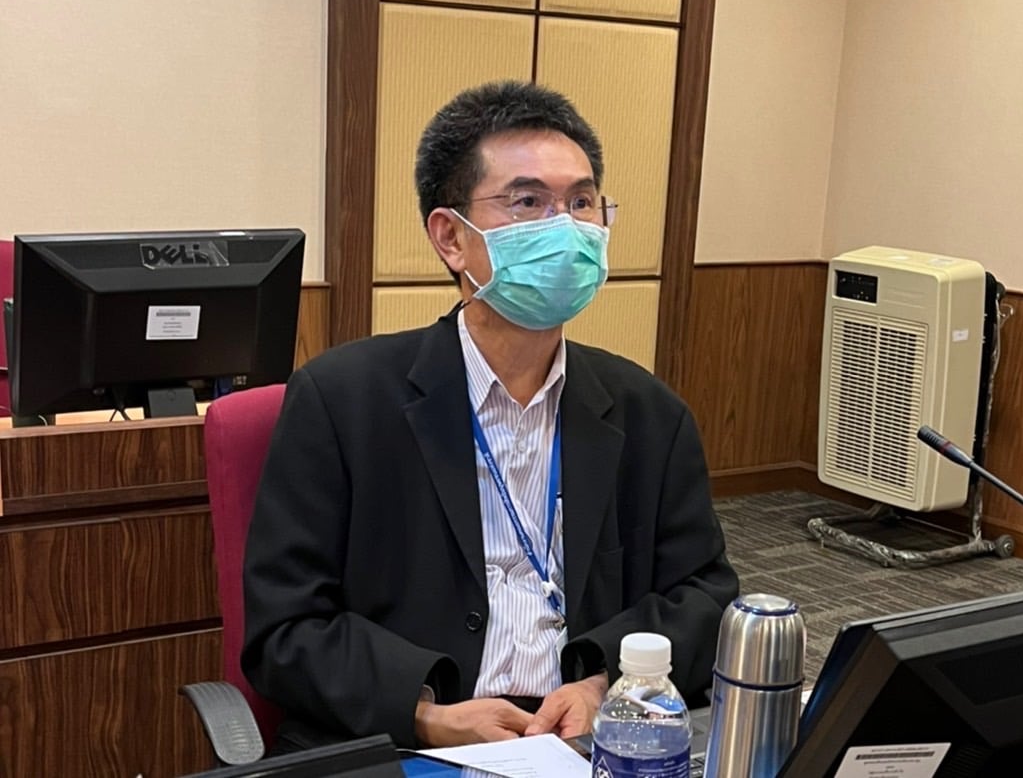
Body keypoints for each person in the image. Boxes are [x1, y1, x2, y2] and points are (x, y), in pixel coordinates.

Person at [242, 80, 739, 754]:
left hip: (585, 742)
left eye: (582, 202)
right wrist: (427, 714)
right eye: (528, 202)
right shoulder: (341, 402)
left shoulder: (650, 413)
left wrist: (606, 685)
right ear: (451, 237)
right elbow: (285, 629)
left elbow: (705, 595)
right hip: (409, 743)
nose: (565, 228)